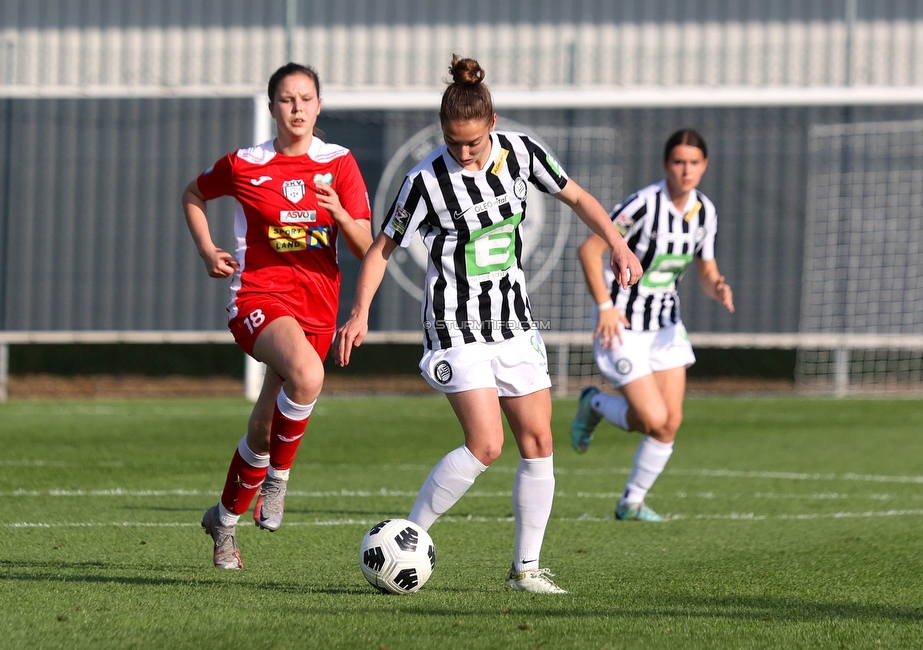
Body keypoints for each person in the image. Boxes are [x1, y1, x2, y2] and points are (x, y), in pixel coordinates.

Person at [334, 55, 643, 593]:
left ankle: (525, 570)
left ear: (492, 124)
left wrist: (616, 242)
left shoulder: (522, 153)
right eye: (453, 142)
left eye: (472, 142)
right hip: (454, 326)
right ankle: (404, 544)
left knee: (539, 441)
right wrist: (359, 312)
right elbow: (381, 249)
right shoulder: (424, 180)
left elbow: (576, 197)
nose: (463, 151)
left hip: (514, 324)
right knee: (486, 443)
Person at [182, 63, 373, 569]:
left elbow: (365, 246)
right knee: (309, 374)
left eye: (306, 99)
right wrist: (207, 250)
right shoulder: (246, 163)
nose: (297, 109)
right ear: (272, 108)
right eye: (287, 100)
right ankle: (278, 481)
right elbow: (194, 194)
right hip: (258, 298)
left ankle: (223, 523)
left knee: (265, 428)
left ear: (319, 106)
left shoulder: (340, 164)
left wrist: (340, 214)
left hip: (316, 308)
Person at [569, 128, 734, 522]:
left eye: (694, 163)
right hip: (622, 323)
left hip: (665, 325)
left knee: (669, 423)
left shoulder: (704, 212)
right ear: (666, 165)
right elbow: (590, 251)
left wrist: (718, 286)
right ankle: (593, 404)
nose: (686, 170)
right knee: (651, 419)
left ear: (704, 166)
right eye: (678, 162)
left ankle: (631, 503)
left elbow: (705, 269)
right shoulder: (643, 205)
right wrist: (605, 305)